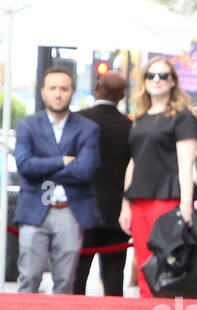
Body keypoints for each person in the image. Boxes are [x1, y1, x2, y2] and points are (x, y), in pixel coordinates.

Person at [13, 64, 101, 294]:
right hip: (34, 208)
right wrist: (62, 160)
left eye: (64, 88)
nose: (58, 93)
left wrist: (41, 167)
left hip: (71, 210)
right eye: (52, 88)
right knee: (29, 278)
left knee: (65, 282)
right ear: (43, 91)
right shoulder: (27, 125)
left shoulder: (88, 128)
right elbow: (24, 166)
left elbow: (85, 170)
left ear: (73, 92)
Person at [119, 57, 197, 297]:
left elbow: (187, 164)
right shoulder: (140, 117)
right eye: (151, 75)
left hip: (167, 198)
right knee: (143, 263)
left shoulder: (183, 117)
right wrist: (125, 204)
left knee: (165, 264)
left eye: (163, 75)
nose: (156, 80)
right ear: (143, 81)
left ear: (173, 81)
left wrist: (186, 205)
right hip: (139, 198)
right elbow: (133, 161)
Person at [72, 72, 131, 296]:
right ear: (122, 96)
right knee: (114, 279)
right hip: (116, 210)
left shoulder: (78, 120)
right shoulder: (129, 127)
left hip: (81, 209)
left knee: (77, 278)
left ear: (97, 88)